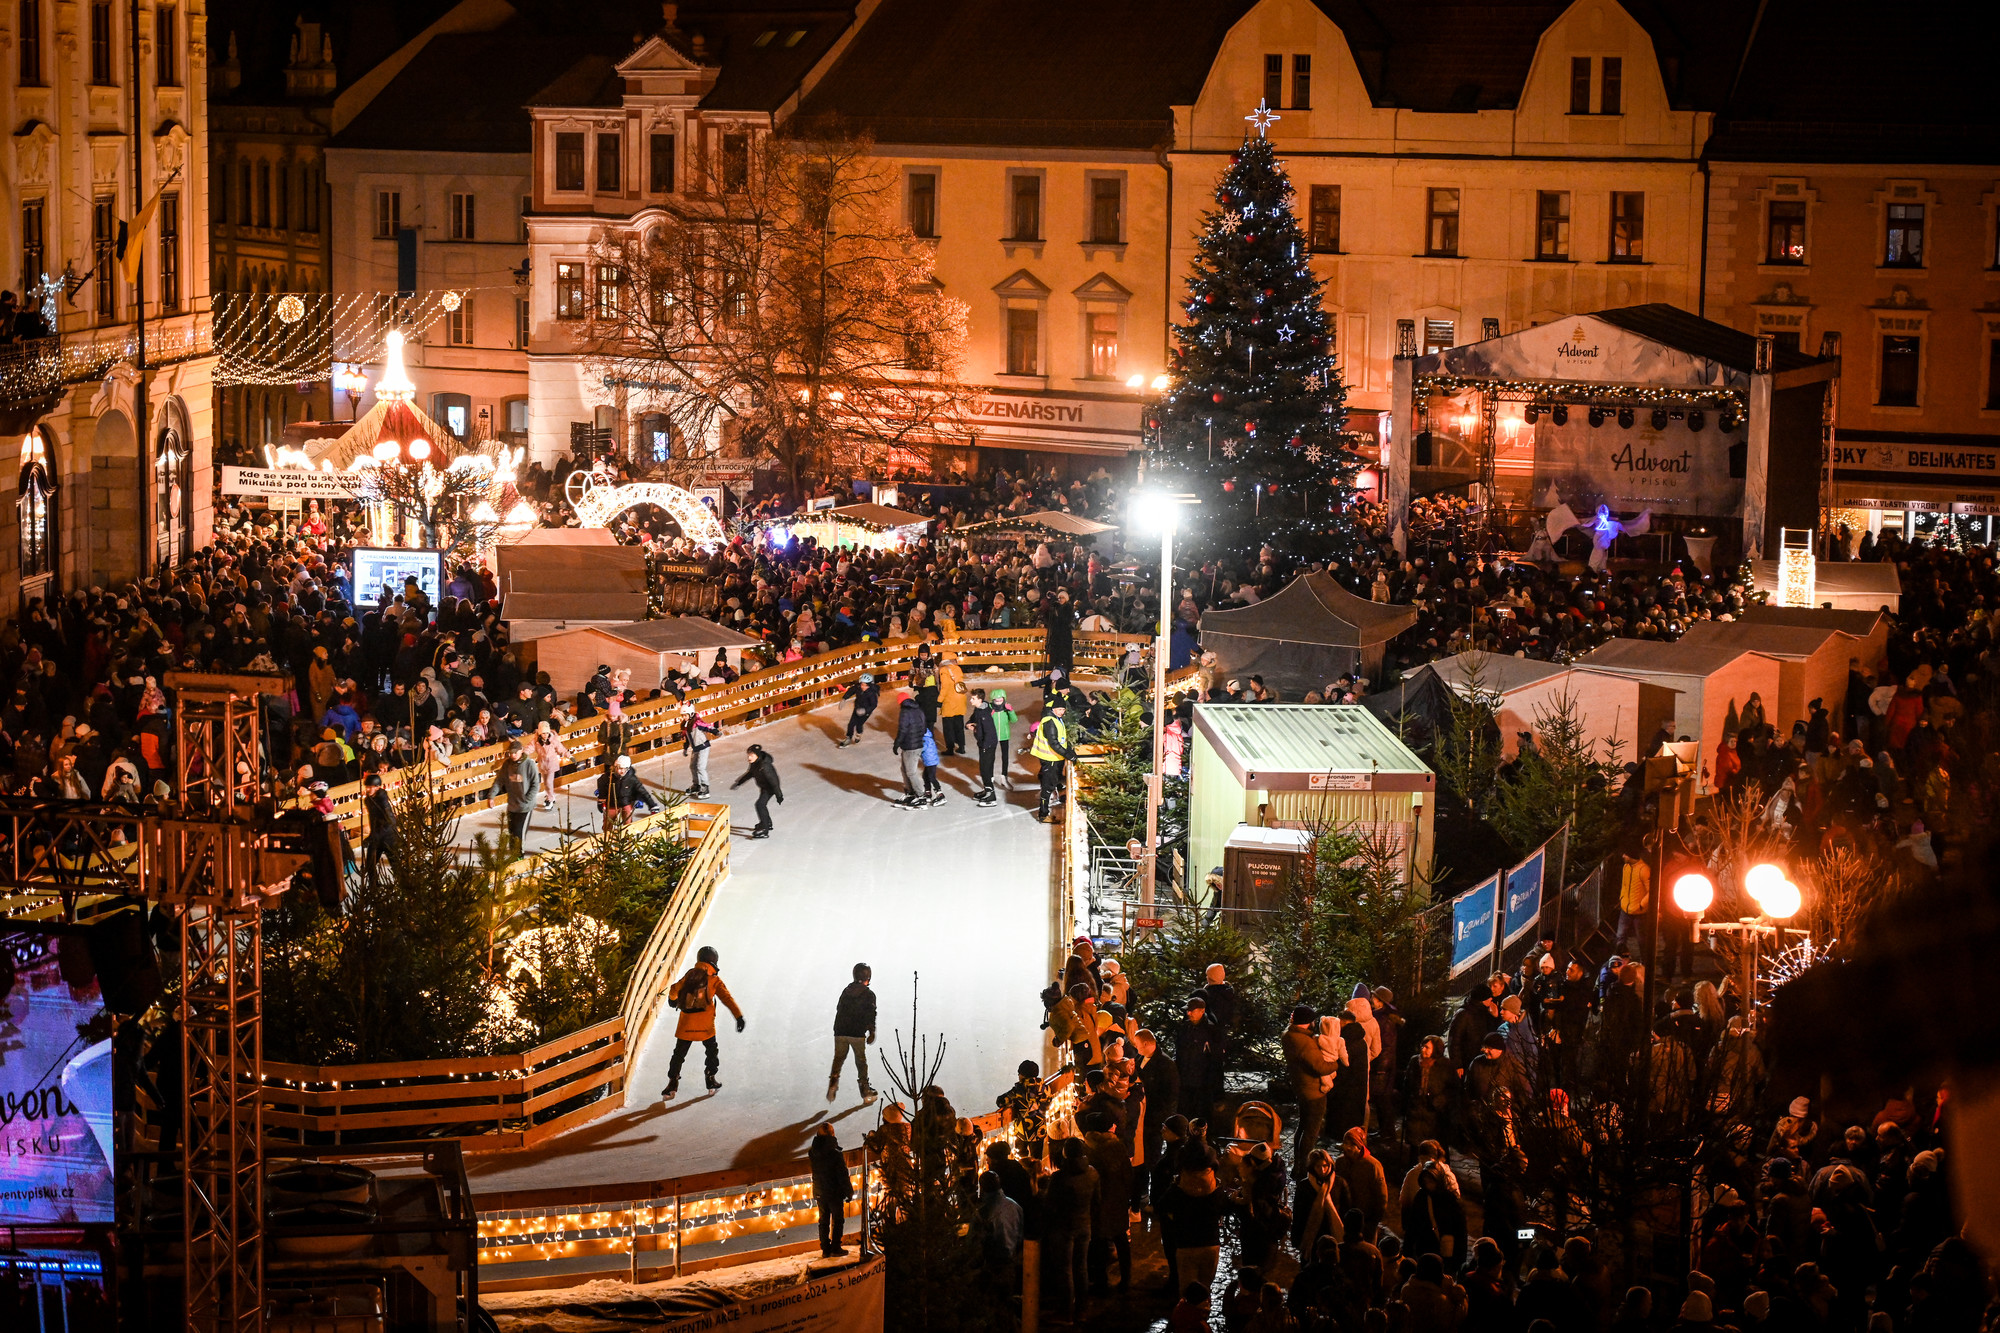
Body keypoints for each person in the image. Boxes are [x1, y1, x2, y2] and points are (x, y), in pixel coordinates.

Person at [662, 944, 743, 1100]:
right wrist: (738, 1016)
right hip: (706, 1028)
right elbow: (727, 998)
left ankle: (672, 1082)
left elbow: (673, 990)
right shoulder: (713, 980)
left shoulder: (689, 976)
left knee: (678, 1054)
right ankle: (710, 1079)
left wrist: (672, 1000)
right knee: (712, 1051)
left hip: (686, 1026)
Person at [1283, 1004, 1339, 1178]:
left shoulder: (1289, 1035)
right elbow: (1319, 1066)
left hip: (1302, 1088)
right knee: (1311, 1131)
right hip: (1313, 1091)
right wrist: (1336, 1063)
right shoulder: (1305, 1042)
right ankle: (1304, 1168)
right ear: (1309, 1022)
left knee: (1302, 1127)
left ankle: (1298, 1164)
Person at [830, 962, 876, 1103]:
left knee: (838, 1058)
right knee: (861, 1061)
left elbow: (839, 1008)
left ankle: (833, 1082)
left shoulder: (846, 991)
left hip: (840, 1031)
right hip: (856, 1033)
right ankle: (865, 1089)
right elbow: (871, 1014)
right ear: (868, 977)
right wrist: (872, 1031)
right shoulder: (869, 995)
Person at [809, 1124, 853, 1257]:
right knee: (838, 1219)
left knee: (823, 1220)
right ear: (832, 1134)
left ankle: (825, 1249)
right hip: (834, 1191)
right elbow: (842, 1174)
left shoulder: (813, 1152)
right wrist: (848, 1191)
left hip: (820, 1190)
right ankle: (835, 1247)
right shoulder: (835, 1153)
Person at [1030, 698, 1076, 821]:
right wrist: (1068, 754)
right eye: (1059, 709)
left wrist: (1069, 750)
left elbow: (1061, 739)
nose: (1062, 712)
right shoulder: (1050, 722)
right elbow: (1054, 743)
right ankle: (1043, 814)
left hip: (1055, 757)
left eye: (1063, 709)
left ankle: (1048, 806)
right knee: (1048, 785)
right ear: (1053, 709)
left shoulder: (1057, 719)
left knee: (1053, 781)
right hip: (1050, 757)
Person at [731, 743, 783, 838]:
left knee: (760, 804)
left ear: (757, 755)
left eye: (751, 755)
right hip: (764, 787)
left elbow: (774, 780)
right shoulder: (755, 764)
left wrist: (779, 795)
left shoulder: (765, 766)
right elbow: (750, 773)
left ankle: (764, 829)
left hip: (770, 788)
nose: (749, 758)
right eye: (748, 755)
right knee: (761, 804)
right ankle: (767, 822)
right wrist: (739, 782)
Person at [891, 690, 928, 807]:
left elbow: (902, 729)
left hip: (911, 746)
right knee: (904, 769)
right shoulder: (918, 709)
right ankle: (910, 793)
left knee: (910, 772)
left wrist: (897, 743)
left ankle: (921, 796)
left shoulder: (905, 712)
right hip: (916, 744)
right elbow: (924, 727)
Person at [361, 772, 397, 886]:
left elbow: (389, 822)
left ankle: (403, 883)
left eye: (371, 787)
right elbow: (373, 820)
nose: (368, 789)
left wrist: (374, 836)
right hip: (376, 836)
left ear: (377, 787)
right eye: (367, 787)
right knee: (370, 864)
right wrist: (371, 836)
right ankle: (374, 886)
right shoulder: (368, 800)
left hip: (388, 838)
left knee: (395, 863)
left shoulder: (382, 800)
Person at [502, 740, 539, 843]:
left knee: (519, 832)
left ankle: (519, 856)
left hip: (525, 806)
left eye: (515, 752)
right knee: (512, 832)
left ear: (521, 751)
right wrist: (492, 795)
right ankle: (513, 856)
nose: (513, 755)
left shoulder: (529, 764)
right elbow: (500, 780)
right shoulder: (508, 764)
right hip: (513, 805)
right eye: (511, 753)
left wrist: (527, 799)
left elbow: (535, 784)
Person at [970, 688, 1000, 806]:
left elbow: (989, 732)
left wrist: (985, 745)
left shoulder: (985, 714)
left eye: (973, 698)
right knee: (983, 768)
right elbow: (973, 719)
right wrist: (969, 724)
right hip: (983, 743)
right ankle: (986, 790)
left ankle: (991, 796)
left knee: (986, 769)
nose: (970, 700)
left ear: (980, 700)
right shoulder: (978, 709)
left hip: (988, 744)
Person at [683, 707, 720, 796]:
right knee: (692, 766)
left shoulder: (697, 722)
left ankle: (705, 787)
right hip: (695, 748)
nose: (684, 717)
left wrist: (715, 731)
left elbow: (707, 726)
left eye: (685, 715)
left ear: (691, 714)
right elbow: (687, 738)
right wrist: (685, 748)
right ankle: (696, 785)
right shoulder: (685, 725)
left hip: (703, 746)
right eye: (682, 715)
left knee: (700, 767)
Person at [938, 652, 969, 755]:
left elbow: (945, 687)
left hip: (949, 702)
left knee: (948, 727)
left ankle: (950, 749)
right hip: (960, 700)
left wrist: (939, 700)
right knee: (959, 725)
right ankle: (962, 747)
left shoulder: (943, 670)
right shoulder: (958, 669)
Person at [837, 672, 878, 746]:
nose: (863, 686)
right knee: (851, 724)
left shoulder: (872, 693)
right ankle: (848, 738)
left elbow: (874, 705)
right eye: (862, 684)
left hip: (866, 712)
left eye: (865, 685)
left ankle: (859, 734)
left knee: (859, 724)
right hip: (857, 708)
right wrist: (844, 698)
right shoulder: (858, 687)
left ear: (869, 685)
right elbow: (851, 691)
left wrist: (865, 710)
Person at [989, 688, 1017, 789]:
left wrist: (1011, 711)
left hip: (1004, 735)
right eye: (996, 701)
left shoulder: (1006, 707)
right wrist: (989, 715)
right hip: (992, 736)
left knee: (1005, 757)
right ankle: (990, 778)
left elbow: (1014, 720)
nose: (999, 703)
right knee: (990, 757)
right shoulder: (989, 708)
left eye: (1001, 700)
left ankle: (1004, 777)